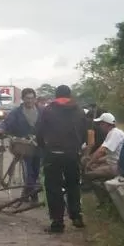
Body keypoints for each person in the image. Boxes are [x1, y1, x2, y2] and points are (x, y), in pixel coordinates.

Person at [36, 85, 86, 233]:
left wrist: (42, 147)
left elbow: (39, 132)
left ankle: (57, 222)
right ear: (69, 95)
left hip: (53, 154)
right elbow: (84, 132)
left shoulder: (48, 110)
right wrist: (77, 146)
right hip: (72, 154)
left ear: (56, 95)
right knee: (73, 184)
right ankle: (76, 216)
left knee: (53, 187)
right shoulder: (79, 110)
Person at [0, 87, 41, 203]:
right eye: (27, 98)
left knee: (36, 170)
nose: (29, 101)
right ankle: (32, 193)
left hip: (38, 145)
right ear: (23, 99)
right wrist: (1, 129)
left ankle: (26, 193)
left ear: (35, 99)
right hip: (22, 145)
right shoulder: (17, 112)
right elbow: (6, 123)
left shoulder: (41, 111)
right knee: (29, 170)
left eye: (32, 98)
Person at [83, 112, 124, 181]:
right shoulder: (112, 133)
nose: (99, 126)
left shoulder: (115, 133)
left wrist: (90, 162)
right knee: (94, 166)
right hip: (115, 163)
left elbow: (101, 151)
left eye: (100, 124)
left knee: (90, 173)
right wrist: (96, 161)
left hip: (120, 166)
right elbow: (111, 155)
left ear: (105, 124)